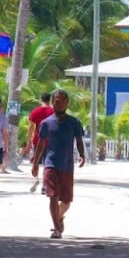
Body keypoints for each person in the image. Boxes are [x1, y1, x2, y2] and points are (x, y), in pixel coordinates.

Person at [37, 89, 86, 239]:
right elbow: (41, 144)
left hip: (67, 165)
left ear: (67, 103)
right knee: (53, 196)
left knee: (66, 201)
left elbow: (78, 140)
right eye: (57, 101)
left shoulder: (74, 122)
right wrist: (35, 164)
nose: (59, 104)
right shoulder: (46, 123)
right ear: (52, 103)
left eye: (62, 101)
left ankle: (58, 216)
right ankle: (56, 228)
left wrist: (82, 155)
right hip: (50, 164)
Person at [26, 91, 54, 194]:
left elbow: (31, 127)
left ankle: (36, 179)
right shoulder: (53, 112)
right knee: (47, 164)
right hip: (50, 141)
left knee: (36, 161)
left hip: (37, 140)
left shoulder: (35, 111)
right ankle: (44, 186)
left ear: (41, 99)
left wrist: (28, 141)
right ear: (50, 100)